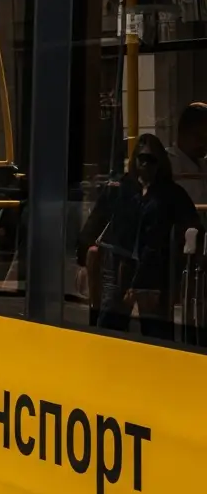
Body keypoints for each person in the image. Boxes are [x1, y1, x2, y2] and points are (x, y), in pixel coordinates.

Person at [79, 134, 197, 340]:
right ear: (134, 160)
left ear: (160, 162)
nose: (145, 164)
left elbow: (193, 224)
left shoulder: (170, 193)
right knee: (110, 328)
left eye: (151, 159)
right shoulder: (120, 188)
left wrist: (181, 258)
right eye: (141, 158)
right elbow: (96, 220)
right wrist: (82, 257)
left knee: (155, 333)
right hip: (118, 265)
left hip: (153, 270)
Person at [168, 102, 207, 206]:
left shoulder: (204, 164)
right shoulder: (167, 164)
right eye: (199, 137)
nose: (204, 143)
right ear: (182, 132)